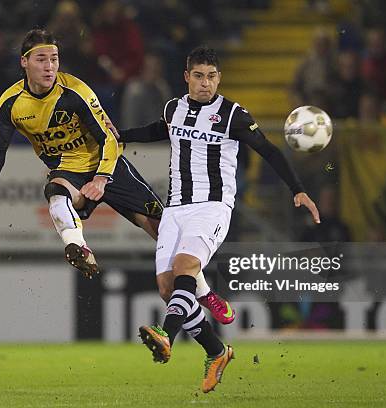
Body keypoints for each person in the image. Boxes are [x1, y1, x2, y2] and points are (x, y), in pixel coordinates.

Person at [0, 29, 235, 324]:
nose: (49, 66)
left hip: (107, 166)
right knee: (56, 191)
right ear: (24, 62)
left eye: (54, 59)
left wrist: (101, 178)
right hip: (69, 169)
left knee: (165, 234)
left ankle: (204, 293)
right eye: (41, 59)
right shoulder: (11, 104)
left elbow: (110, 138)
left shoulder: (75, 92)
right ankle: (77, 245)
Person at [113, 46, 320, 392]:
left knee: (185, 267)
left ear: (219, 78)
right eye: (198, 76)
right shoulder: (173, 108)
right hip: (175, 208)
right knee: (168, 288)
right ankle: (217, 348)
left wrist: (297, 189)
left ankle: (167, 335)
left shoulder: (233, 115)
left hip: (213, 206)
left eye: (211, 77)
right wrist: (122, 135)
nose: (205, 83)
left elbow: (268, 149)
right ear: (187, 77)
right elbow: (158, 130)